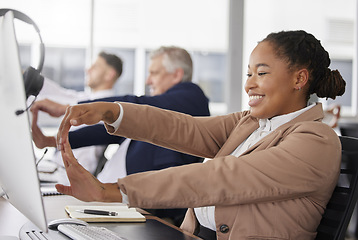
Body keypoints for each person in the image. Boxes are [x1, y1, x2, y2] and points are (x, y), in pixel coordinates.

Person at [55, 30, 345, 239]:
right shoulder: (251, 123)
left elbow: (223, 177)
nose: (249, 85)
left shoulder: (315, 140)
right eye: (248, 74)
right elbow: (185, 128)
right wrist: (113, 111)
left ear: (299, 79)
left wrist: (113, 192)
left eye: (262, 73)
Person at [31, 46, 210, 226]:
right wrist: (51, 141)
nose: (148, 80)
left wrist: (75, 107)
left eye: (154, 73)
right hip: (108, 198)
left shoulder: (191, 96)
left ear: (177, 75)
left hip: (135, 208)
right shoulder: (161, 112)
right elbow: (105, 132)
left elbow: (138, 104)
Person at [33, 51, 123, 174]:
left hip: (71, 174)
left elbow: (66, 99)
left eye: (95, 66)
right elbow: (61, 94)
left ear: (109, 74)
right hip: (56, 168)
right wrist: (30, 79)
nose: (88, 70)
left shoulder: (110, 109)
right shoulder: (85, 98)